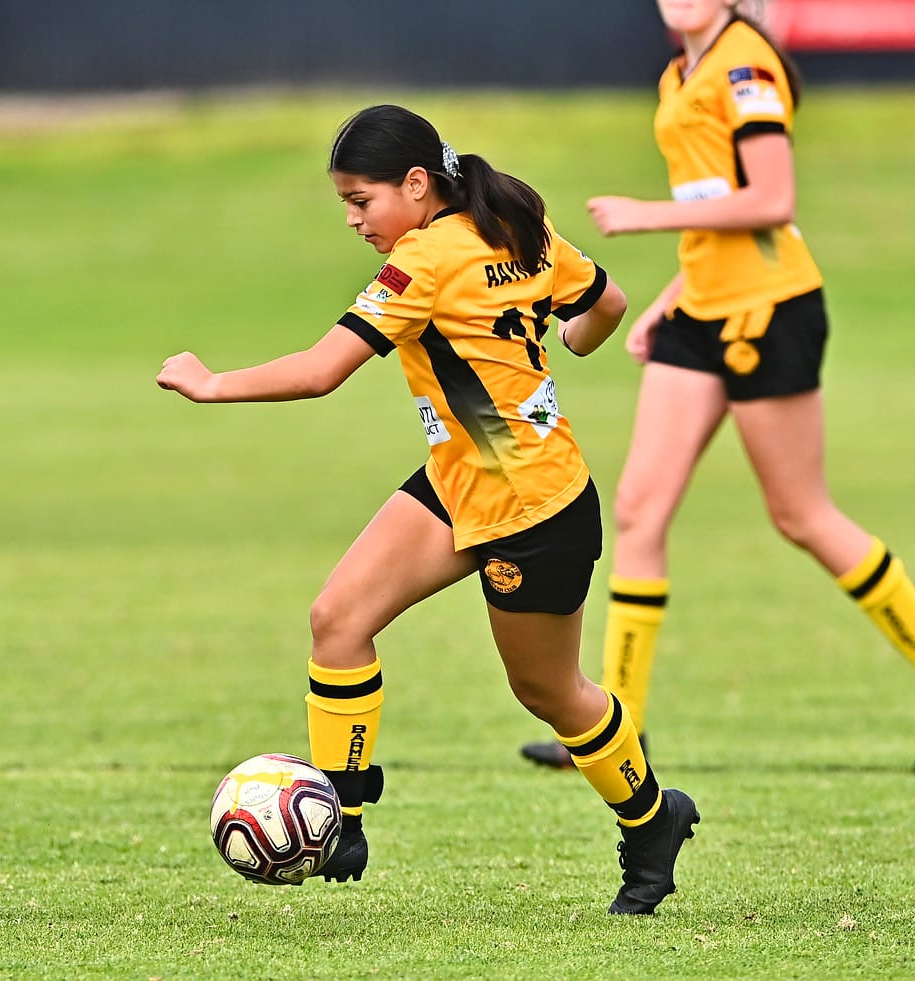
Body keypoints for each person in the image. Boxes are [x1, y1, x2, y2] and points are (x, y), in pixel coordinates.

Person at [157, 103, 699, 914]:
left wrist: (210, 383)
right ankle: (340, 815)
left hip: (531, 505)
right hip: (463, 473)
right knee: (338, 617)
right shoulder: (516, 220)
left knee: (551, 692)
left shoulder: (424, 262)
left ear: (416, 184)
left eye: (361, 199)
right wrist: (564, 346)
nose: (352, 219)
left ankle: (653, 819)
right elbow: (608, 302)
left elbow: (319, 370)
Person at [518, 0, 915, 770]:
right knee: (638, 507)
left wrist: (643, 215)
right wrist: (668, 300)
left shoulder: (745, 64)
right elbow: (717, 217)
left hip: (771, 312)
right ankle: (617, 725)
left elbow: (773, 202)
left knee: (802, 515)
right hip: (701, 309)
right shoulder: (678, 74)